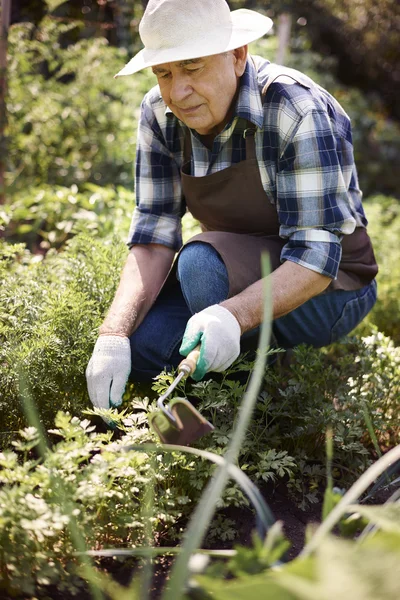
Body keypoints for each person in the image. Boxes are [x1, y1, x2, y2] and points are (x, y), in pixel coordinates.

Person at [86, 0, 378, 411]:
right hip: (237, 268)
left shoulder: (296, 109)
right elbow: (153, 237)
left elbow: (316, 258)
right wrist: (112, 335)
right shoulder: (159, 113)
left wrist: (233, 317)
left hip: (333, 286)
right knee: (147, 349)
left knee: (201, 264)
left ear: (237, 56)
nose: (177, 92)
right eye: (164, 73)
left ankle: (261, 410)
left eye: (192, 67)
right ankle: (219, 393)